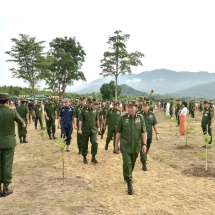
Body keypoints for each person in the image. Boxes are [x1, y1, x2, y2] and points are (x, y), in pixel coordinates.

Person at [115, 100, 147, 195]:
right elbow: (118, 133)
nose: (130, 109)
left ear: (136, 108)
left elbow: (143, 132)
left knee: (131, 163)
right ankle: (129, 183)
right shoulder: (122, 118)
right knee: (127, 163)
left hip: (136, 146)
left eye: (132, 107)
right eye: (128, 107)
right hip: (125, 146)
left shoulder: (140, 118)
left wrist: (144, 144)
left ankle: (128, 175)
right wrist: (116, 145)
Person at [0, 93, 26, 197]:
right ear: (8, 101)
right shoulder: (12, 111)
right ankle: (6, 188)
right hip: (8, 142)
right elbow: (23, 124)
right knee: (7, 164)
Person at [78, 97, 100, 164]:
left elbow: (97, 119)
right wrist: (79, 129)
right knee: (84, 144)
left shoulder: (95, 110)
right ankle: (84, 157)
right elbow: (80, 120)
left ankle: (93, 157)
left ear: (92, 103)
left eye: (91, 102)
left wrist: (98, 127)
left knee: (94, 142)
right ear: (86, 102)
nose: (90, 104)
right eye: (89, 102)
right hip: (85, 130)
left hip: (93, 130)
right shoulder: (83, 110)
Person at [139, 100, 159, 171]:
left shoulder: (152, 114)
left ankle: (143, 158)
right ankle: (144, 163)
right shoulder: (139, 114)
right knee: (143, 147)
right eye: (143, 106)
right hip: (141, 136)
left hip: (149, 135)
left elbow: (154, 124)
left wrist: (157, 133)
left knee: (147, 147)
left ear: (149, 107)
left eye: (146, 106)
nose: (144, 108)